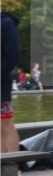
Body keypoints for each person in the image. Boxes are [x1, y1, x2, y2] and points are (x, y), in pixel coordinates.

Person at [1, 11, 21, 152]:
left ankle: (11, 168)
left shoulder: (6, 23)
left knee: (5, 125)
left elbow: (13, 55)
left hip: (1, 83)